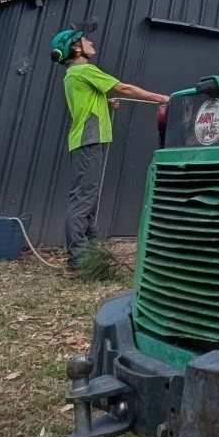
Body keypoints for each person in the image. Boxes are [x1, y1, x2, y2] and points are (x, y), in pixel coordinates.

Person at [50, 22, 169, 272]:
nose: (91, 42)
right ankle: (78, 260)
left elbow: (87, 102)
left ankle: (91, 252)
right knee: (83, 198)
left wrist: (105, 102)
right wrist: (163, 98)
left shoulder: (73, 75)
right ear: (76, 48)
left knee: (88, 196)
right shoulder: (85, 70)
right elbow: (124, 87)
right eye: (86, 40)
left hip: (88, 139)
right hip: (89, 138)